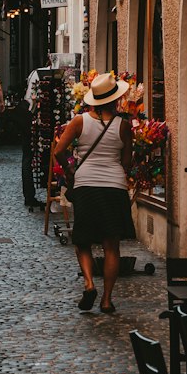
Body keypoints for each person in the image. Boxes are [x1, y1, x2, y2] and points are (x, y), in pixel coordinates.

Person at [50, 73, 135, 316]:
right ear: (115, 100)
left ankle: (89, 284)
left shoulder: (79, 121)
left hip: (86, 184)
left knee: (82, 240)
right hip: (114, 187)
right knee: (111, 245)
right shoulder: (124, 125)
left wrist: (68, 169)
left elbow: (59, 150)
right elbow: (127, 162)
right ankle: (107, 300)